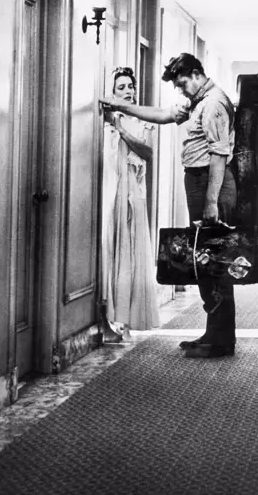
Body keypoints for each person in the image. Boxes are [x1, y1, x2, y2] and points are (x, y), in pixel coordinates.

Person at [100, 53, 237, 358]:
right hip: (199, 181)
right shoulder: (197, 99)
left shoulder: (213, 103)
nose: (181, 90)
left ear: (196, 73)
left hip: (209, 183)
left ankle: (220, 339)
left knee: (212, 260)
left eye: (182, 82)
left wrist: (211, 202)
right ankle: (215, 332)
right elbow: (164, 114)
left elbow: (218, 155)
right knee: (205, 259)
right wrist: (120, 106)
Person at [100, 67, 160, 342]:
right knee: (109, 252)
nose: (127, 91)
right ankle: (108, 319)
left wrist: (121, 128)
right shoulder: (103, 120)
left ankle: (126, 320)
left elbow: (147, 153)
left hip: (133, 195)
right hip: (110, 193)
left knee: (129, 254)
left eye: (130, 86)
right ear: (112, 91)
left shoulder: (142, 122)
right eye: (121, 87)